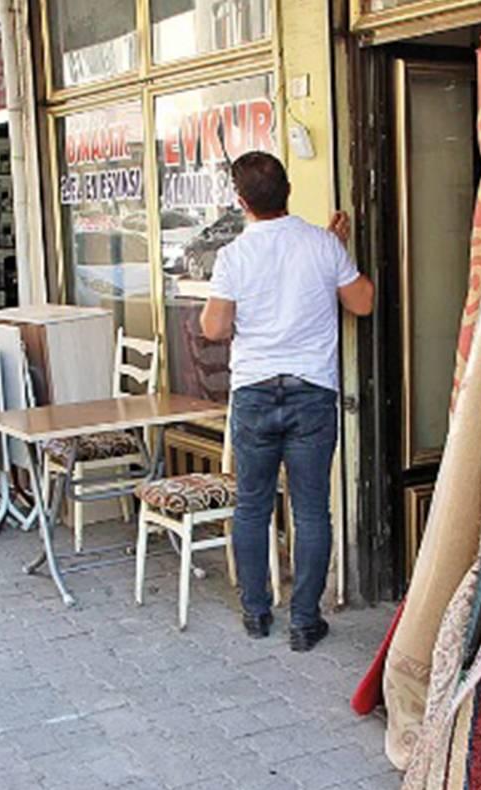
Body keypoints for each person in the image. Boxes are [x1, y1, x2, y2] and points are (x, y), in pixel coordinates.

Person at [199, 151, 374, 651]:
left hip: (254, 392)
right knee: (312, 511)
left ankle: (256, 614)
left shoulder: (233, 256)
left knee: (252, 507)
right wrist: (337, 253)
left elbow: (214, 328)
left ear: (240, 201)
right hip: (312, 394)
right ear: (289, 190)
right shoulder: (322, 245)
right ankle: (304, 621)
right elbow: (361, 301)